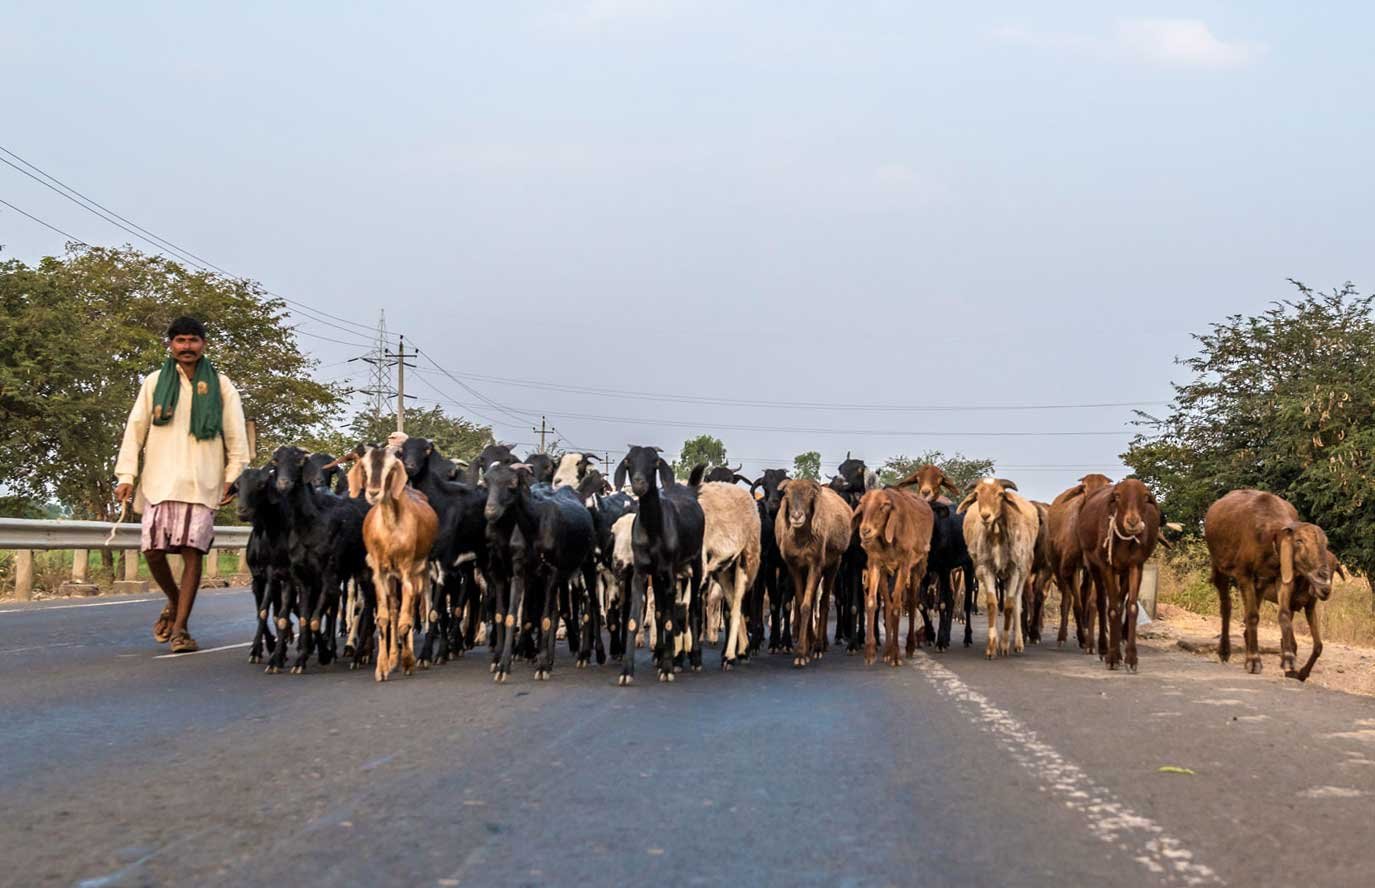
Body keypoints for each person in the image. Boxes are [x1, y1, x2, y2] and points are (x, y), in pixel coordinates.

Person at [114, 316, 249, 653]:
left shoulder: (221, 385)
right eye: (180, 341)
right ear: (170, 345)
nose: (187, 346)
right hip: (159, 481)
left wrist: (233, 477)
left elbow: (235, 434)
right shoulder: (154, 382)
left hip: (204, 482)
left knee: (192, 553)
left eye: (193, 340)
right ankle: (175, 602)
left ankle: (181, 630)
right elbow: (135, 430)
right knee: (153, 551)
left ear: (203, 344)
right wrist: (126, 476)